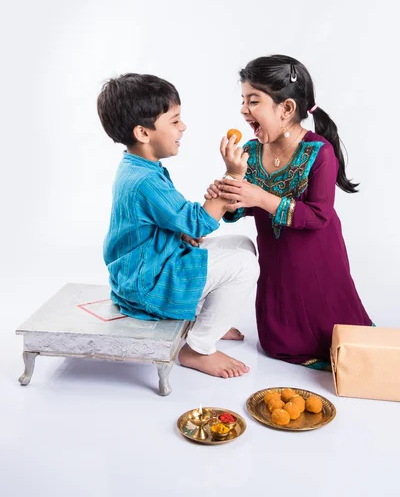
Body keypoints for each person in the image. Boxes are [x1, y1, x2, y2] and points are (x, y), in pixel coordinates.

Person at [205, 55, 372, 370]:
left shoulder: (318, 152)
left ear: (286, 109)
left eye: (253, 101)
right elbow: (242, 209)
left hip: (318, 256)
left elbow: (319, 216)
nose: (243, 109)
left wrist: (260, 197)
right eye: (242, 100)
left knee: (330, 324)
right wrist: (231, 193)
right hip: (276, 258)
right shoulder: (251, 152)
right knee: (279, 334)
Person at [97, 73, 259, 378]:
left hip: (146, 269)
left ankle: (205, 321)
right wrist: (233, 175)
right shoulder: (144, 179)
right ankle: (198, 349)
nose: (183, 127)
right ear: (144, 133)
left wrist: (193, 220)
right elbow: (197, 223)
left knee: (242, 245)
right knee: (245, 265)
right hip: (148, 285)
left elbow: (169, 220)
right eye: (174, 120)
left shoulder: (140, 167)